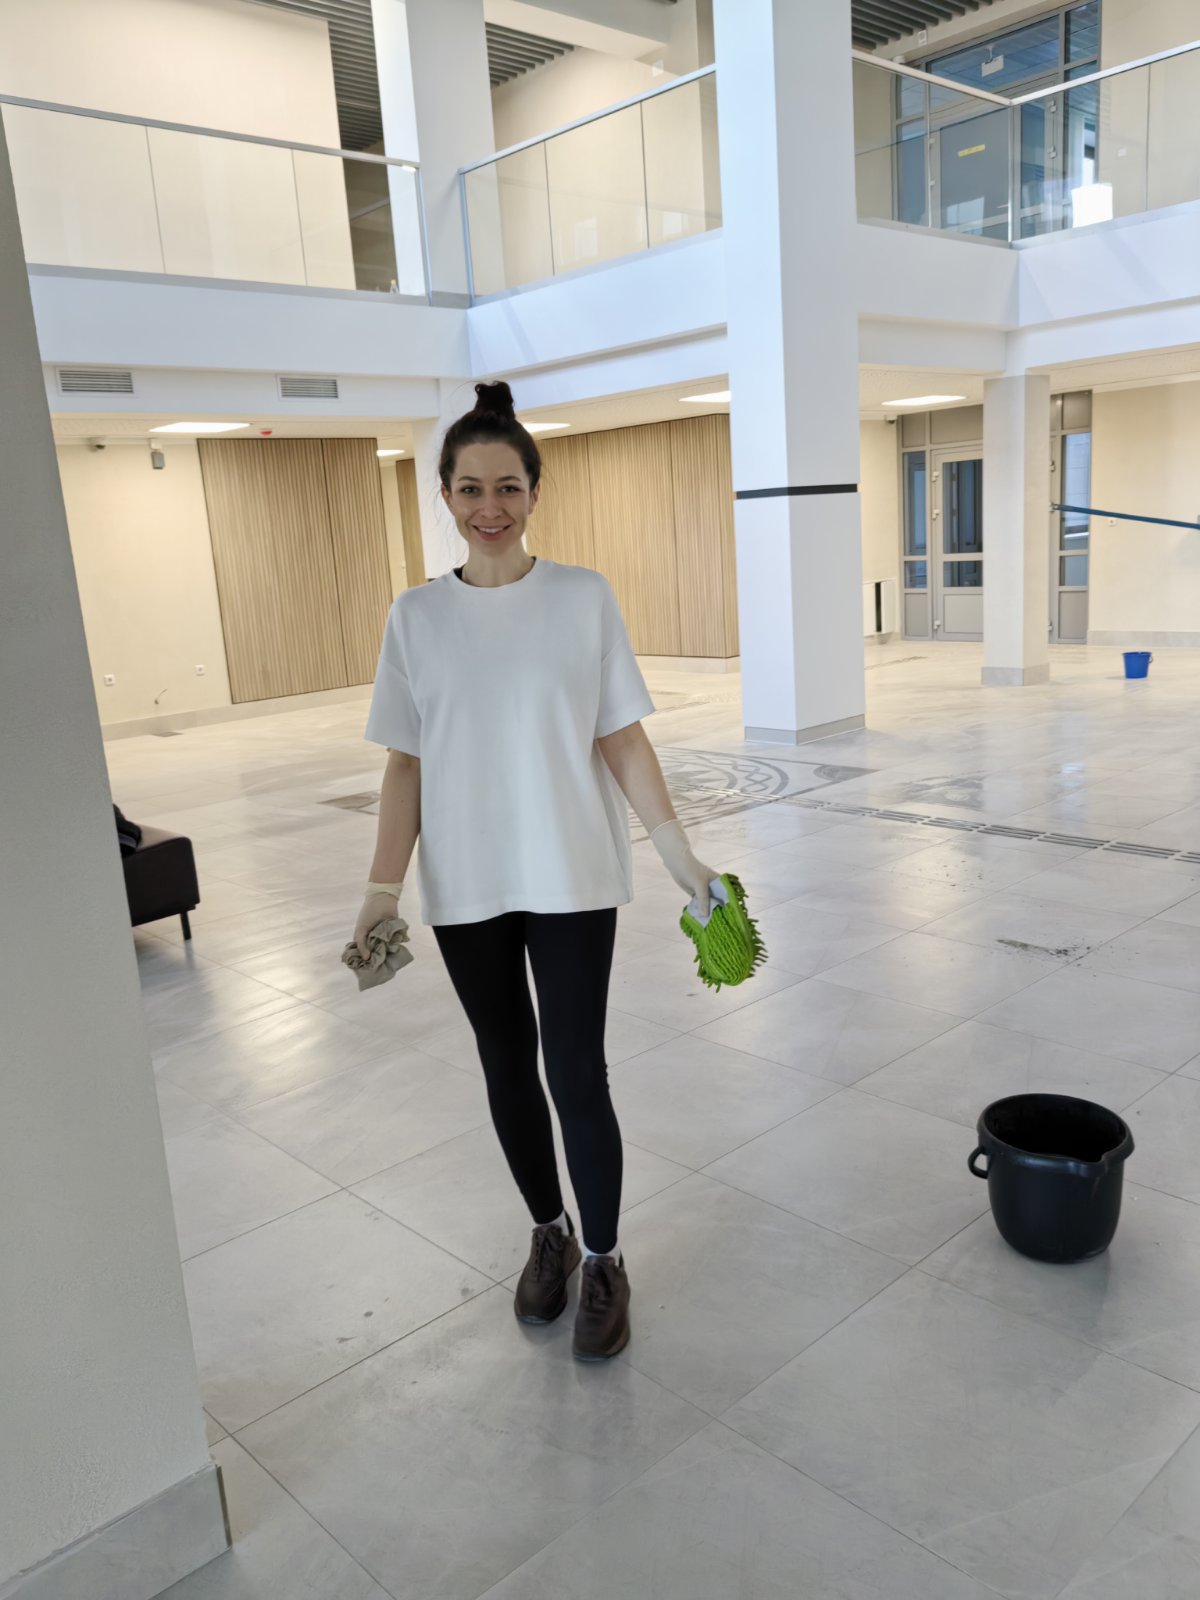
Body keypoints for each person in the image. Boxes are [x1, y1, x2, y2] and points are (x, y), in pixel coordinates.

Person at [354, 382, 722, 1361]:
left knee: (575, 1070)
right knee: (506, 1065)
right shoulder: (415, 618)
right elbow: (405, 764)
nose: (491, 507)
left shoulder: (582, 597)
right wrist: (381, 891)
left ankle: (603, 1258)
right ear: (444, 494)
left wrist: (679, 853)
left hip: (570, 874)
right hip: (466, 883)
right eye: (471, 488)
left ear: (534, 491)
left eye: (508, 487)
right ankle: (548, 1232)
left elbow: (622, 735)